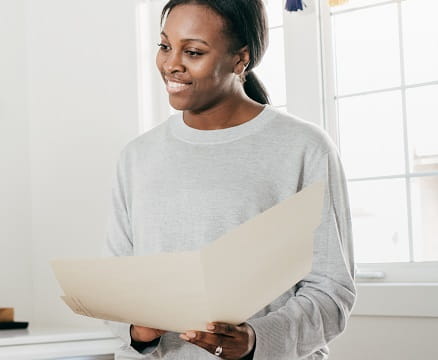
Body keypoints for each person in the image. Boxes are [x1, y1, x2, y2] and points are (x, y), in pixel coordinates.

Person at [105, 0, 355, 359]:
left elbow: (331, 291)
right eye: (165, 46)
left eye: (193, 52)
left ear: (241, 60)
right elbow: (115, 283)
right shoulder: (137, 156)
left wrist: (254, 339)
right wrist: (137, 329)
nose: (171, 64)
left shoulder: (304, 147)